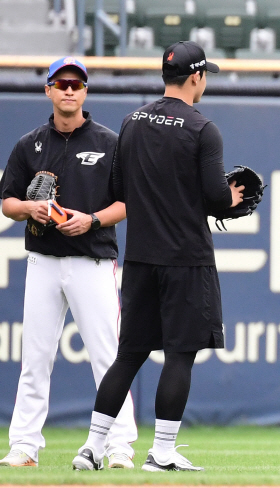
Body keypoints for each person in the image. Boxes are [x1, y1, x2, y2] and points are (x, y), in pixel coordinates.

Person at [71, 41, 244, 472]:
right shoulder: (204, 129)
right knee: (180, 355)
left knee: (129, 354)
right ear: (196, 77)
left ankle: (91, 447)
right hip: (186, 257)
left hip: (141, 257)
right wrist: (233, 197)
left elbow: (120, 190)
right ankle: (162, 452)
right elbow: (216, 198)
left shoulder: (132, 121)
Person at [0, 57, 137, 469]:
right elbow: (7, 201)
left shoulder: (109, 142)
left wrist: (92, 219)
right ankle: (24, 446)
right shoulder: (29, 144)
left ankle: (118, 446)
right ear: (48, 90)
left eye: (77, 84)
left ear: (86, 91)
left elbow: (128, 202)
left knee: (107, 356)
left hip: (91, 261)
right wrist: (29, 208)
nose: (69, 90)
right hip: (43, 258)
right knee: (35, 358)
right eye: (61, 83)